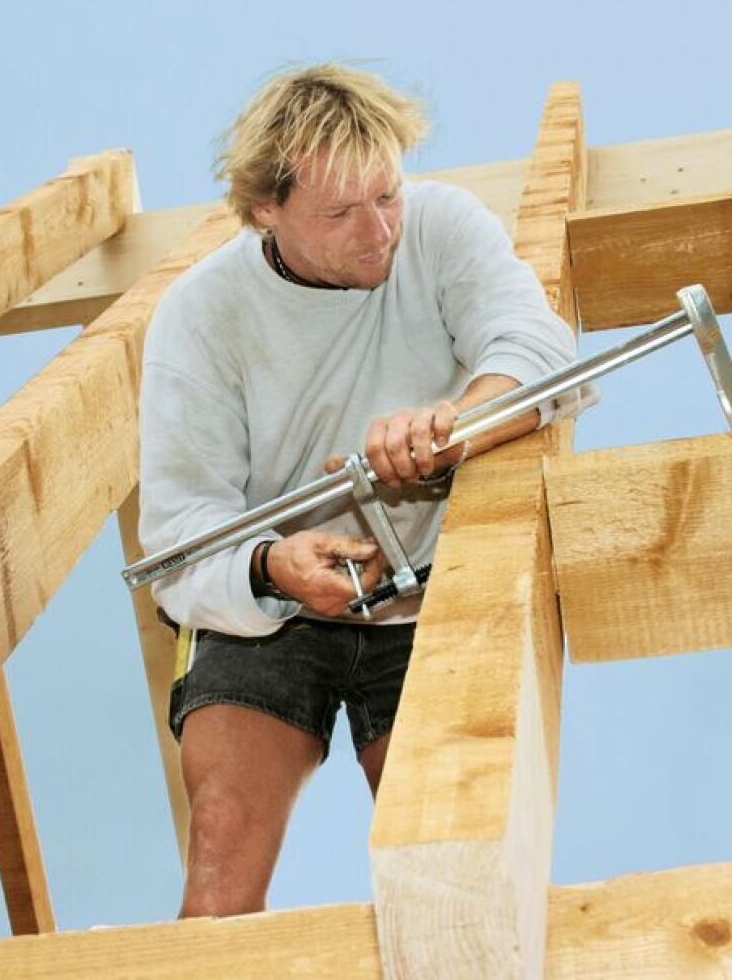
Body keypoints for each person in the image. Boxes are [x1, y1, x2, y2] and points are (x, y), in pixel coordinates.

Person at [138, 64, 583, 918]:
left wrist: (452, 424)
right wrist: (271, 564)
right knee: (223, 843)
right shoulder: (199, 316)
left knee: (446, 864)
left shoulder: (443, 226)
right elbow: (179, 534)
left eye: (386, 194)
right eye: (339, 214)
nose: (377, 231)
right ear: (265, 209)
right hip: (264, 616)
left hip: (431, 600)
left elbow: (537, 349)